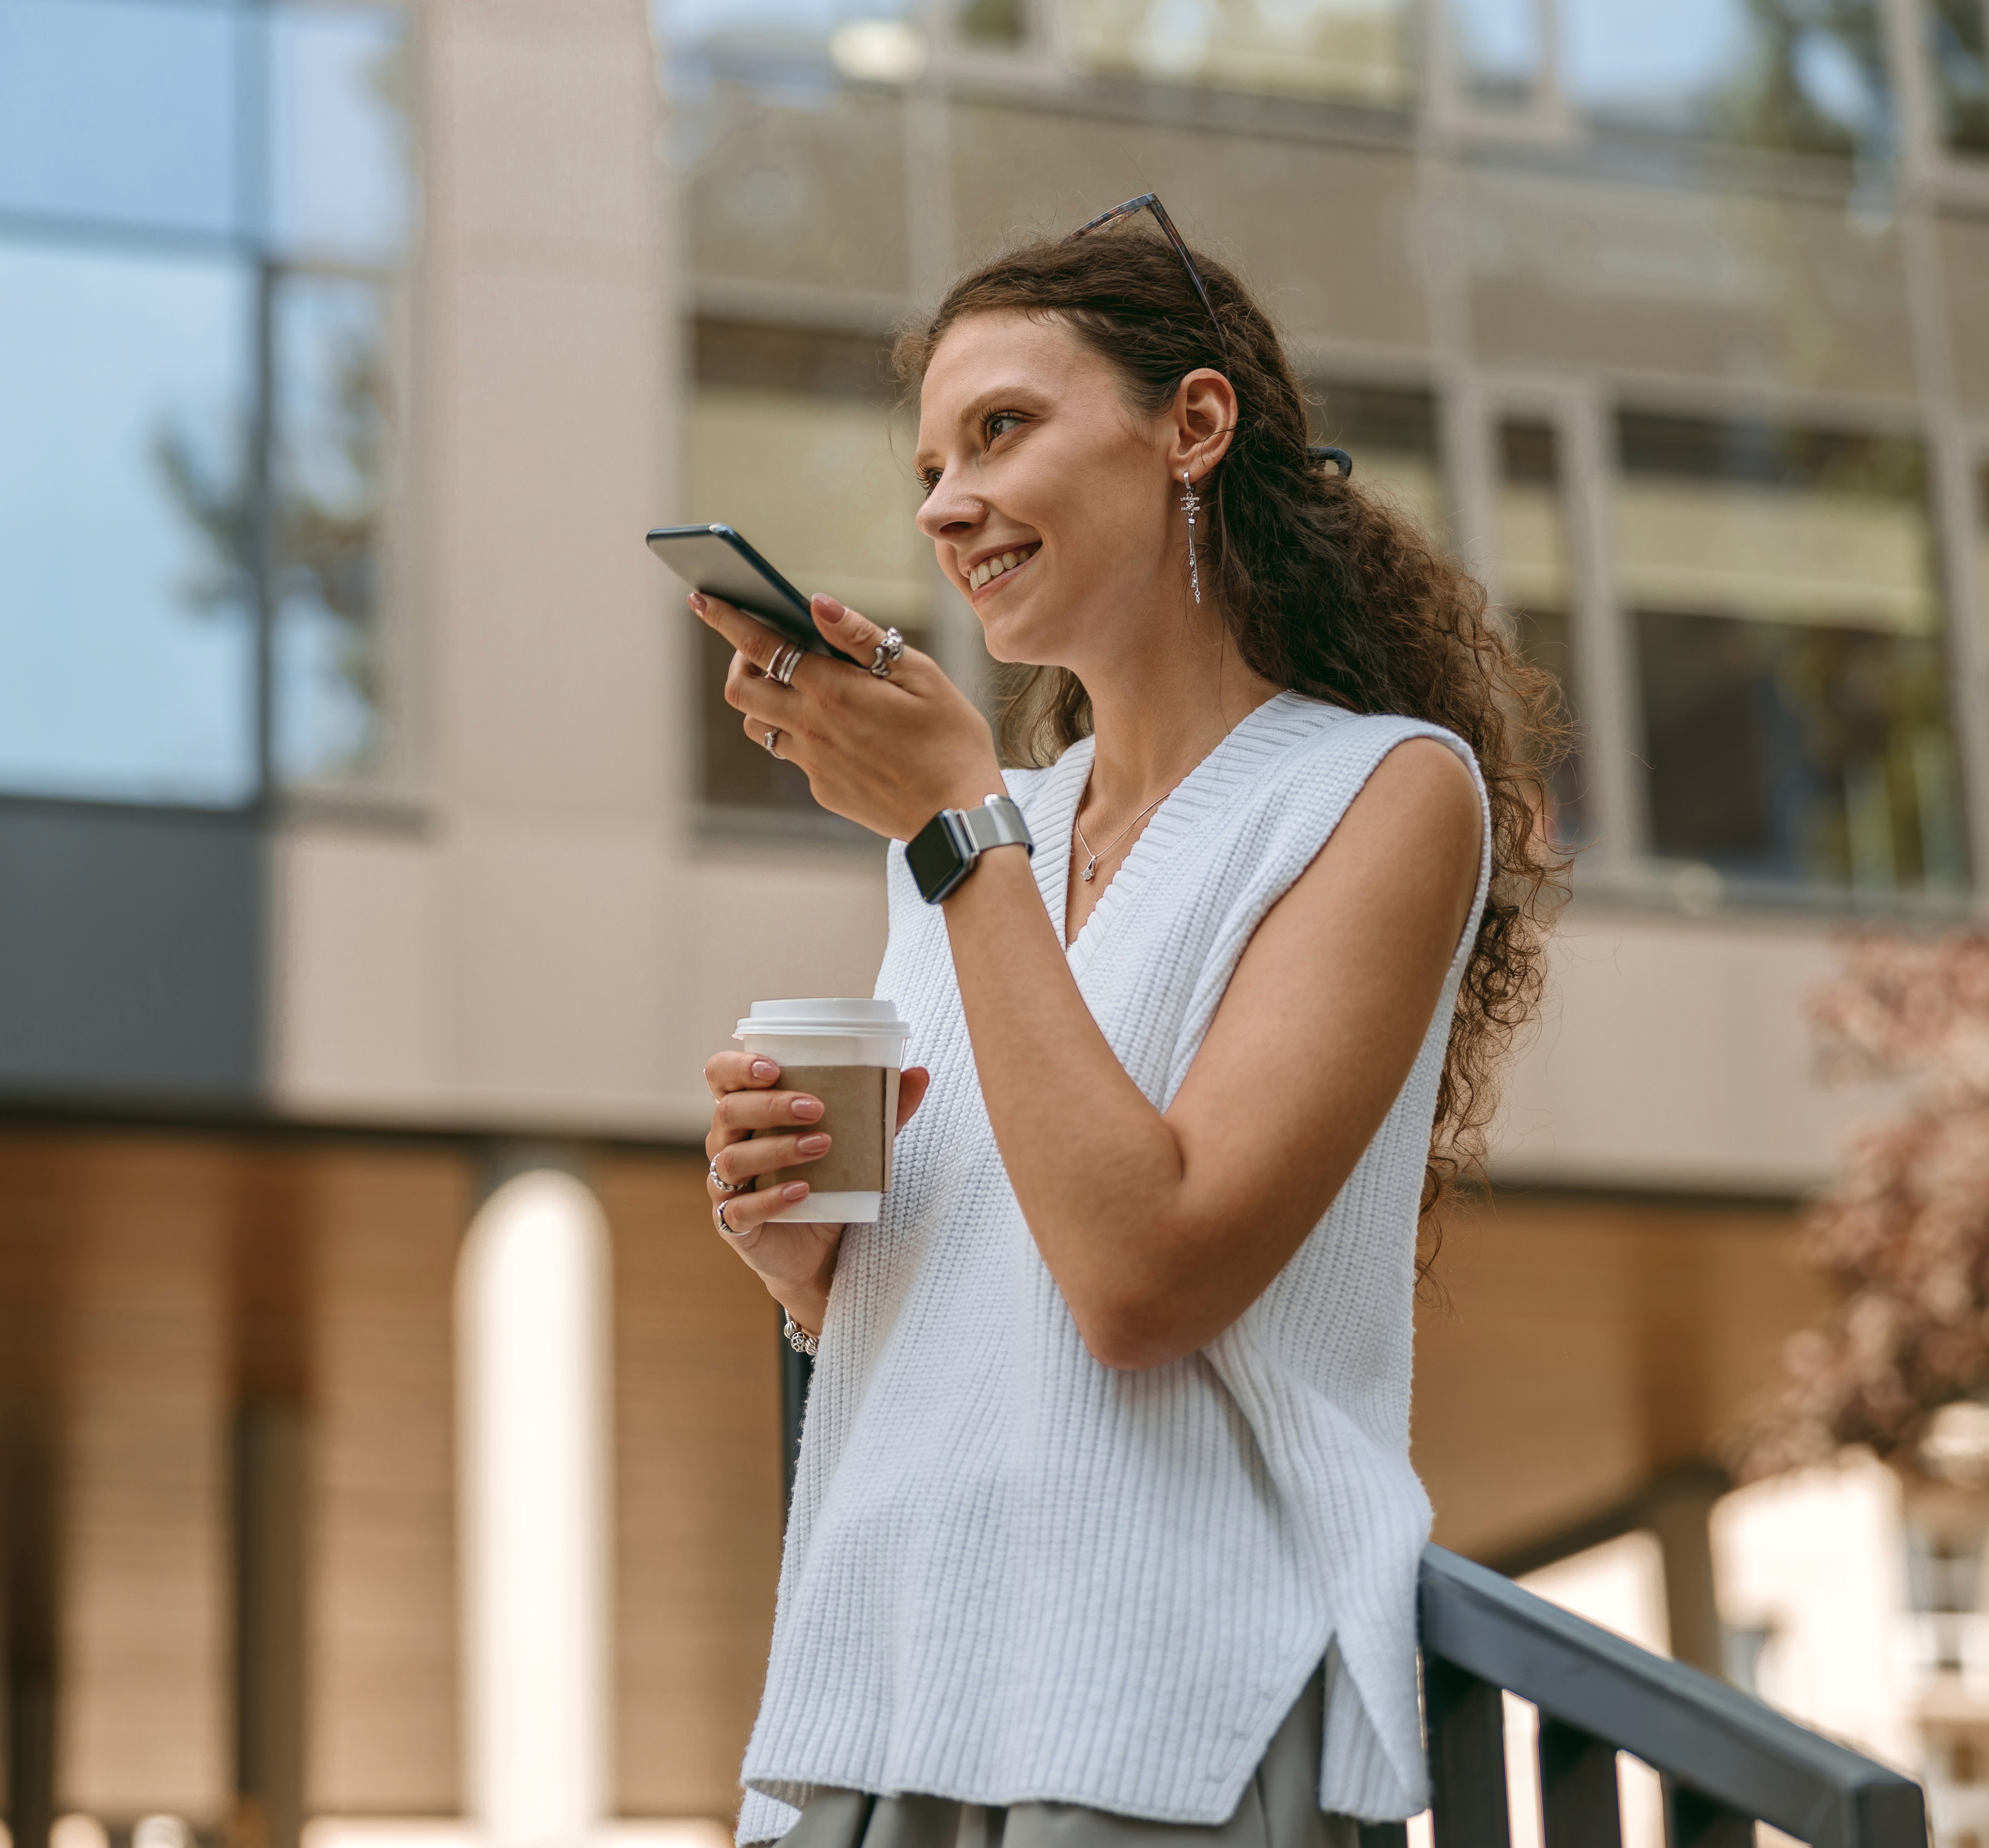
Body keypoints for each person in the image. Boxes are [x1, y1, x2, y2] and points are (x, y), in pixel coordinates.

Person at [691, 196, 1565, 1848]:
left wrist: (956, 831)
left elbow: (1142, 1277)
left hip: (1165, 1710)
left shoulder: (1379, 794)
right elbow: (989, 1276)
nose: (949, 504)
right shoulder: (982, 837)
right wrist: (810, 1266)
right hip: (885, 1700)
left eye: (1001, 430)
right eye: (931, 468)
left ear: (1196, 425)